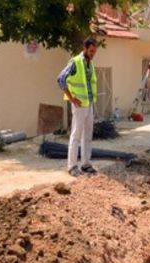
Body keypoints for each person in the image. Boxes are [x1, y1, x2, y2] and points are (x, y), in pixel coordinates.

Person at [57, 37, 99, 177]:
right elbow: (61, 79)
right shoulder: (75, 62)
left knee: (87, 136)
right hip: (79, 104)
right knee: (76, 135)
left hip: (89, 104)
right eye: (91, 51)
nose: (93, 53)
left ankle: (86, 164)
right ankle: (72, 166)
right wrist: (71, 98)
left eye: (95, 51)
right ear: (85, 49)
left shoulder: (90, 64)